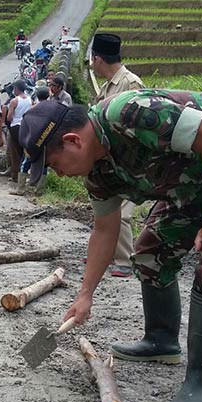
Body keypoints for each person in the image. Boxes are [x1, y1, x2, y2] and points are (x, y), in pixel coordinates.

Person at [19, 91, 202, 402]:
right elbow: (105, 231)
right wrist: (85, 294)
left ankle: (201, 378)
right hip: (199, 176)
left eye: (54, 165)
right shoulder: (98, 172)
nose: (59, 174)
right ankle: (161, 340)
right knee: (150, 251)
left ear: (73, 140)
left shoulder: (130, 113)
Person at [91, 33, 147, 278]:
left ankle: (125, 260)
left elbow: (139, 125)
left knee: (122, 213)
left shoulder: (131, 83)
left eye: (92, 59)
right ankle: (108, 254)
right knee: (104, 210)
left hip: (129, 160)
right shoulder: (107, 85)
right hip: (110, 160)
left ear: (98, 58)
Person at [5, 79, 32, 190]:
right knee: (24, 151)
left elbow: (9, 117)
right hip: (26, 127)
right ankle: (25, 174)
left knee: (15, 151)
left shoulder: (14, 101)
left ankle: (16, 175)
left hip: (15, 127)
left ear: (16, 89)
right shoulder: (30, 100)